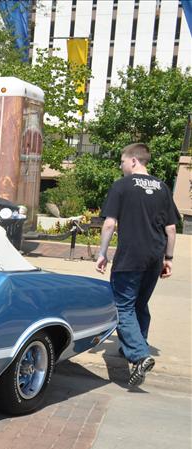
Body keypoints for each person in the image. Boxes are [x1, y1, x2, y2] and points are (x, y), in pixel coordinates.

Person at [95, 143, 177, 387]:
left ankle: (140, 355)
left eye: (122, 161)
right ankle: (134, 347)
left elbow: (110, 223)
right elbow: (171, 229)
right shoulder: (162, 187)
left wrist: (102, 253)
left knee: (122, 306)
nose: (121, 166)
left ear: (133, 161)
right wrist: (169, 259)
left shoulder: (121, 186)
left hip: (130, 257)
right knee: (139, 304)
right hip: (154, 257)